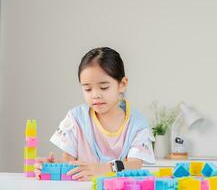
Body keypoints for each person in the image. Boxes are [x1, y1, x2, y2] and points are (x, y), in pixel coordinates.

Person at [34, 47, 155, 181]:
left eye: (104, 87)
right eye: (87, 89)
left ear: (122, 84)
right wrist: (52, 169)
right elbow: (68, 164)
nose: (95, 95)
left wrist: (102, 169)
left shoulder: (137, 125)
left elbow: (134, 165)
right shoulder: (76, 119)